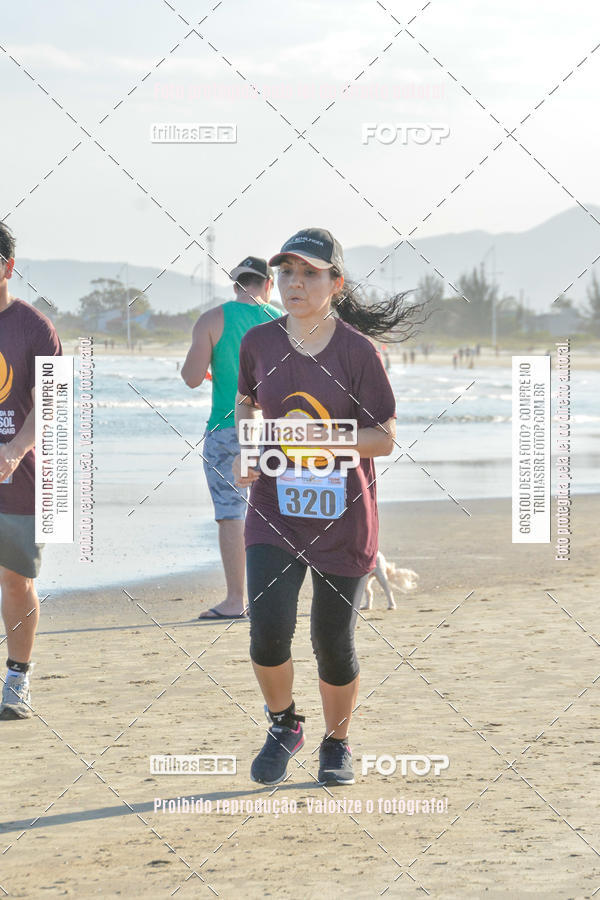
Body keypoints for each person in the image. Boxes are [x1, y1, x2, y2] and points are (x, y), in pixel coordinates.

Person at [233, 227, 425, 786]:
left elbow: (384, 438)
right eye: (287, 272)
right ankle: (283, 723)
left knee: (331, 641)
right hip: (274, 508)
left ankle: (336, 742)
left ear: (335, 284)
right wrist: (250, 448)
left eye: (309, 273)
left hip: (344, 516)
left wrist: (325, 441)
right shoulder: (259, 343)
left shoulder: (358, 352)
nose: (294, 283)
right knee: (266, 632)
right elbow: (247, 404)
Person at [181, 256, 282, 619]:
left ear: (236, 285)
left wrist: (211, 364)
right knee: (280, 511)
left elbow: (192, 377)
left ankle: (236, 600)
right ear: (268, 285)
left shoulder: (212, 319)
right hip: (277, 429)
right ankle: (277, 597)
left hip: (226, 428)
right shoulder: (283, 319)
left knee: (230, 512)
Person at [0, 223, 62, 720]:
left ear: (8, 266)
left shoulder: (36, 328)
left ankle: (17, 678)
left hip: (17, 480)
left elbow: (53, 405)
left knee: (16, 580)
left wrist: (18, 449)